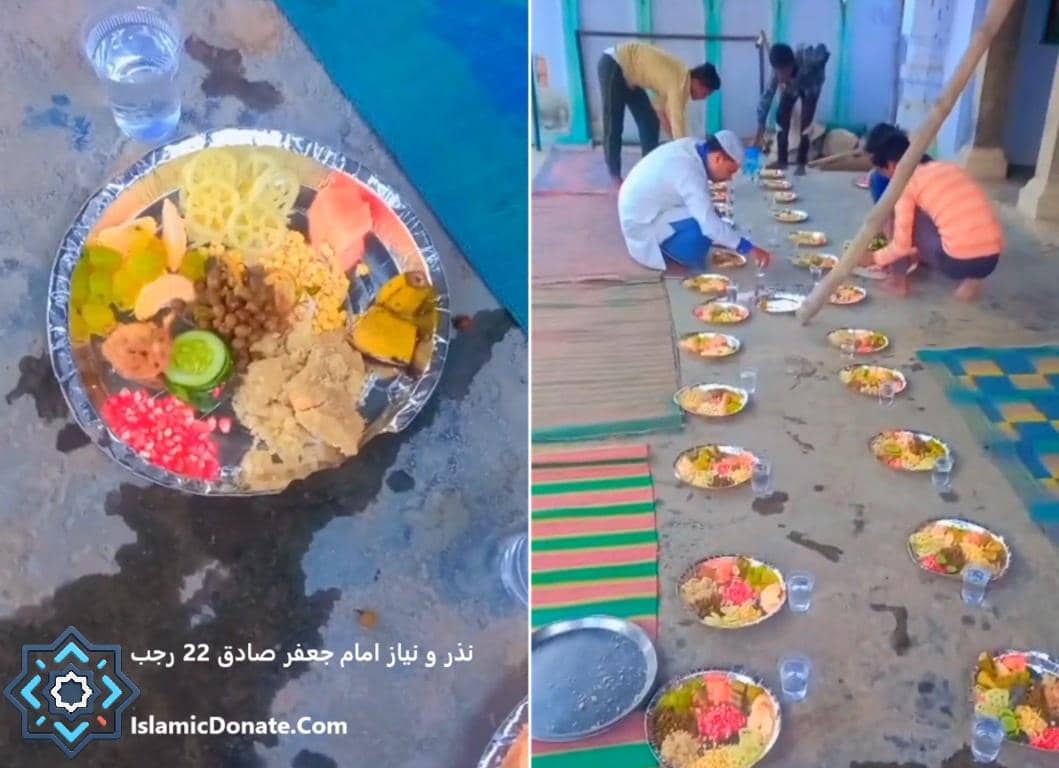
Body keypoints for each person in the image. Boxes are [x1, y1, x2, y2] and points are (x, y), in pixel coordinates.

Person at [867, 133, 1002, 301]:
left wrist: (875, 258)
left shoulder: (907, 184)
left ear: (891, 165)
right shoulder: (950, 167)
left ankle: (897, 282)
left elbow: (902, 246)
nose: (881, 174)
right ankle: (972, 281)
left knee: (899, 219)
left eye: (881, 170)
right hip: (991, 260)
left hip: (956, 263)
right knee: (961, 218)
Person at [617, 130, 772, 272]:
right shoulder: (689, 171)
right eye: (729, 171)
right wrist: (748, 248)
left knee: (711, 215)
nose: (729, 178)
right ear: (718, 158)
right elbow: (710, 226)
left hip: (647, 209)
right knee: (701, 233)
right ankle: (672, 255)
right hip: (642, 224)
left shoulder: (695, 147)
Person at [597, 42, 720, 185]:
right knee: (614, 123)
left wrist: (680, 146)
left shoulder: (680, 79)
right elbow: (677, 123)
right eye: (705, 93)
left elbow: (662, 113)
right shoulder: (678, 83)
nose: (703, 98)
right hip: (616, 63)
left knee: (650, 122)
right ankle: (615, 177)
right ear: (698, 83)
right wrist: (690, 157)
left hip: (632, 76)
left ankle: (647, 169)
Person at [755, 41, 830, 175]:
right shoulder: (777, 74)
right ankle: (782, 161)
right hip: (793, 87)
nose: (781, 76)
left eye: (784, 71)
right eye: (778, 72)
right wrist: (761, 127)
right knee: (781, 116)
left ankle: (801, 163)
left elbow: (822, 50)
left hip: (811, 85)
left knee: (806, 122)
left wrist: (821, 59)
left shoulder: (807, 60)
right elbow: (767, 97)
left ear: (792, 63)